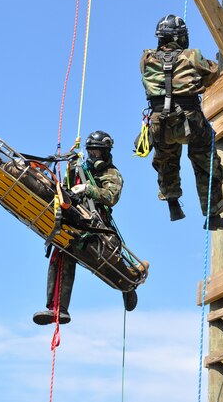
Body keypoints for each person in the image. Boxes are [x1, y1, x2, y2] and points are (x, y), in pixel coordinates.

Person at [33, 130, 148, 325]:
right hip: (74, 218)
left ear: (106, 153)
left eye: (97, 152)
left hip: (96, 224)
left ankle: (128, 286)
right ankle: (58, 309)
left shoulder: (111, 173)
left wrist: (88, 189)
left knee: (107, 260)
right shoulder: (78, 168)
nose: (94, 156)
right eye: (91, 152)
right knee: (60, 255)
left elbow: (111, 197)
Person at [140, 14, 223, 230]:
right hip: (189, 118)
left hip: (159, 121)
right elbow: (212, 73)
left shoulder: (146, 59)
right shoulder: (192, 56)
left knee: (165, 160)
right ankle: (213, 214)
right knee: (205, 159)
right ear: (180, 38)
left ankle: (172, 202)